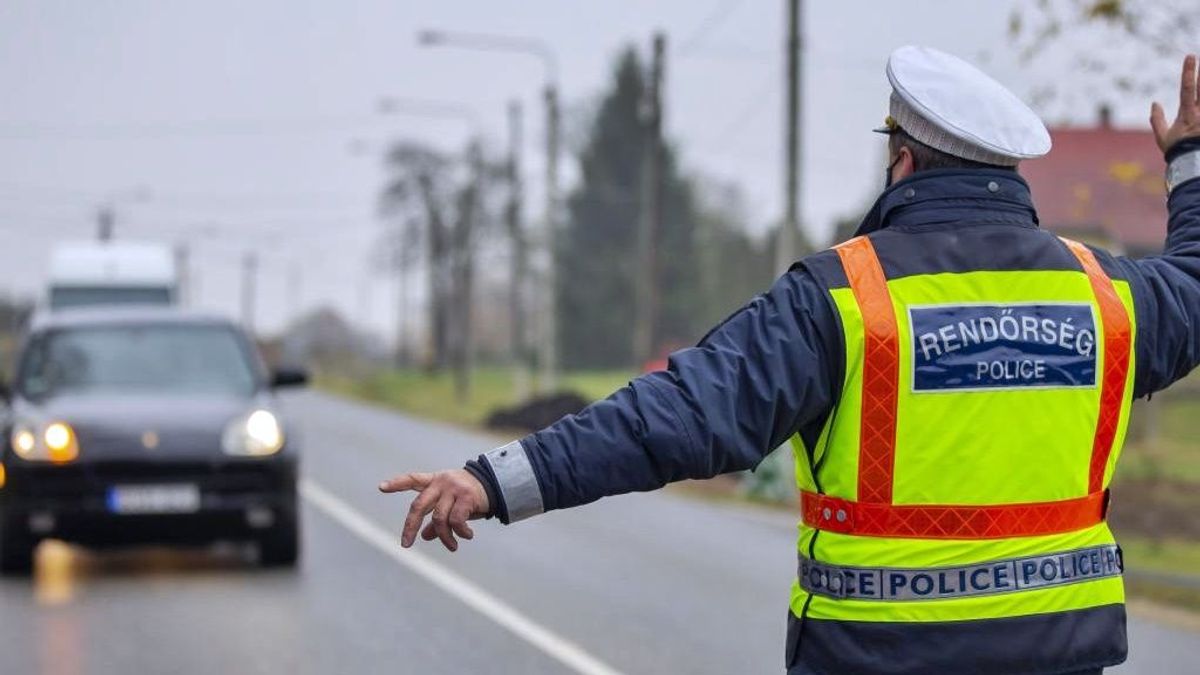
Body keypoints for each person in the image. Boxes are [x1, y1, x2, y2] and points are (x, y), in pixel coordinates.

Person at [379, 46, 1200, 674]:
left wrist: (494, 480)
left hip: (878, 659)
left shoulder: (845, 295)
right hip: (1062, 654)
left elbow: (679, 413)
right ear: (1007, 173)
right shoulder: (1107, 296)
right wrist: (1191, 163)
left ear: (904, 160)